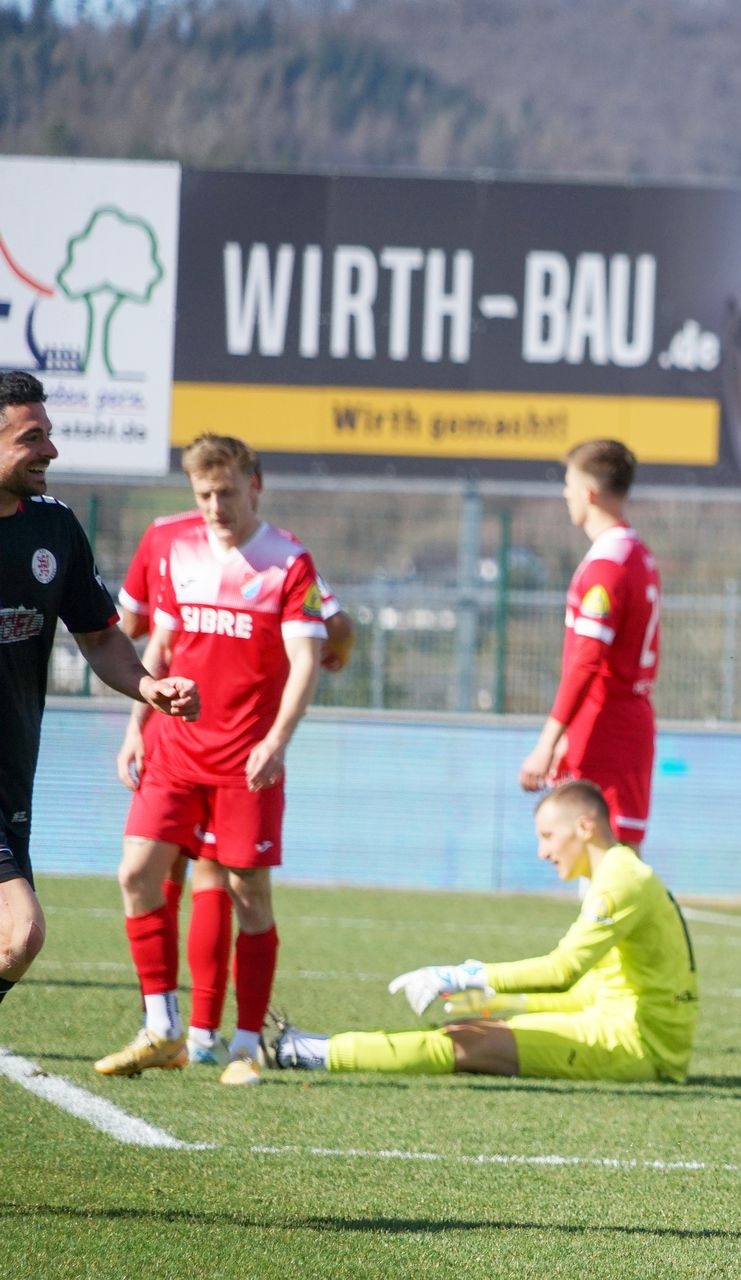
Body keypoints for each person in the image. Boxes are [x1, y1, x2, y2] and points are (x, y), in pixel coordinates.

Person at [94, 434, 325, 1086]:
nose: (216, 507)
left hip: (246, 762)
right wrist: (137, 726)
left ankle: (245, 1042)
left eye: (226, 492)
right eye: (204, 495)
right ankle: (162, 1026)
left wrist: (277, 741)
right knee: (136, 873)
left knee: (249, 896)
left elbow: (307, 661)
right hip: (174, 751)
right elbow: (163, 645)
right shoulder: (178, 549)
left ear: (255, 485)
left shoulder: (288, 563)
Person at [267, 780, 698, 1083]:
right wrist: (494, 999)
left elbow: (562, 971)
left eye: (548, 836)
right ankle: (311, 1048)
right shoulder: (619, 872)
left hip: (638, 1046)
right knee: (473, 1023)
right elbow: (599, 990)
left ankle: (307, 1052)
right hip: (621, 1024)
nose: (543, 851)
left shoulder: (621, 879)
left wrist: (461, 975)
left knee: (463, 1043)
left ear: (584, 827)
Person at [0, 371, 199, 1013]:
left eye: (49, 435)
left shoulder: (55, 528)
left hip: (11, 776)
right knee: (19, 932)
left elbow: (99, 635)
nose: (51, 451)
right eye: (32, 438)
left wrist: (149, 687)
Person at [518, 440, 660, 848]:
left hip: (605, 730)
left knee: (606, 863)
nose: (566, 493)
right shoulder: (637, 554)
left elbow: (587, 661)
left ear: (589, 493)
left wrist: (547, 742)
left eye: (569, 484)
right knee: (607, 863)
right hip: (620, 723)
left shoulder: (606, 567)